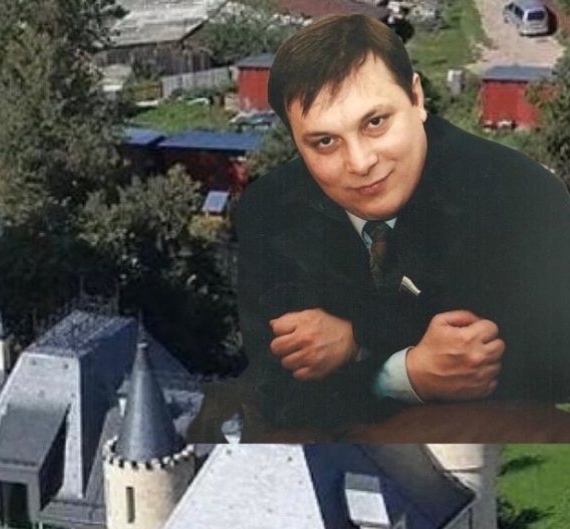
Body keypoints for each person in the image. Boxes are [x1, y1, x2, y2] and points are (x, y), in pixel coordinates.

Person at [234, 14, 570, 431]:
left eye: (375, 122)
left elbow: (551, 369)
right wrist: (405, 373)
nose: (360, 162)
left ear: (415, 98)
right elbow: (280, 398)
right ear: (297, 145)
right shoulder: (269, 212)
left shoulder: (521, 195)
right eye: (325, 141)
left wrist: (357, 344)